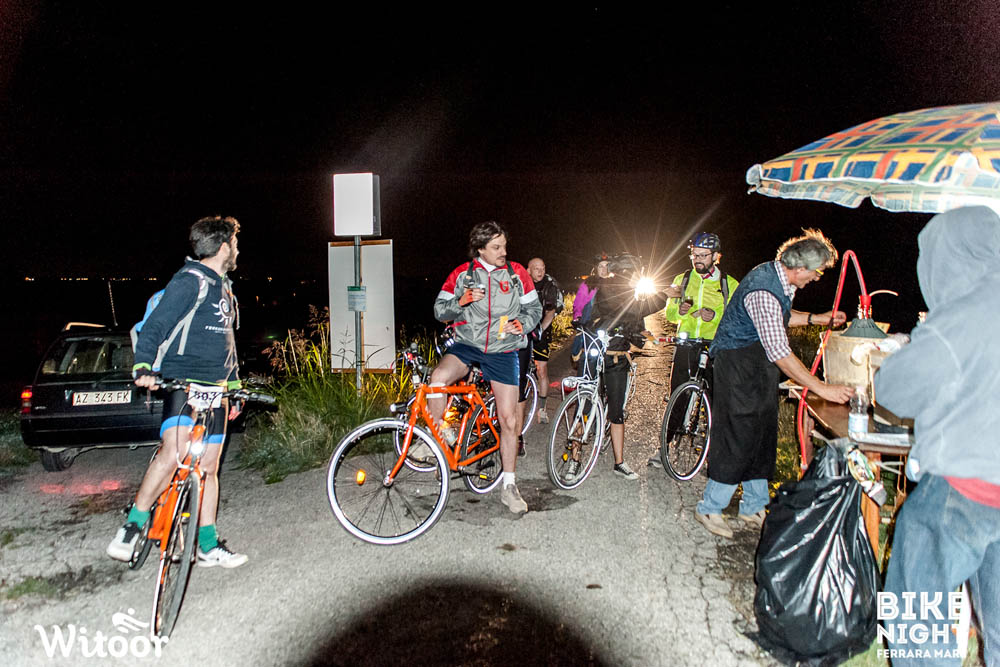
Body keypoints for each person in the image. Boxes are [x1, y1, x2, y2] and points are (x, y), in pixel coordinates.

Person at [874, 206, 1000, 665]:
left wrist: (909, 347)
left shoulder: (963, 314)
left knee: (916, 621)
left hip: (959, 490)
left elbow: (894, 389)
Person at [693, 229, 853, 539]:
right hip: (737, 363)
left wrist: (817, 319)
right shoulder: (763, 289)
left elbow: (781, 317)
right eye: (817, 272)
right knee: (738, 433)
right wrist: (821, 388)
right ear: (801, 268)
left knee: (763, 431)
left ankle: (753, 506)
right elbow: (780, 352)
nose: (817, 278)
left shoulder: (780, 279)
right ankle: (710, 507)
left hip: (758, 364)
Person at [107, 216, 247, 567]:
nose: (237, 249)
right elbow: (156, 326)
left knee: (209, 467)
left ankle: (207, 544)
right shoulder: (189, 281)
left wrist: (235, 388)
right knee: (175, 453)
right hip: (183, 381)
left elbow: (227, 345)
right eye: (234, 243)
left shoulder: (225, 289)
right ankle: (132, 526)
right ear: (223, 247)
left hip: (217, 388)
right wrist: (143, 366)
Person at [431, 221, 542, 514]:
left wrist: (523, 324)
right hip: (468, 343)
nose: (503, 252)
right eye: (496, 247)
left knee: (509, 421)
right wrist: (461, 301)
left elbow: (534, 309)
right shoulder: (462, 274)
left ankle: (509, 486)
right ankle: (441, 436)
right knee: (437, 378)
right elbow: (439, 310)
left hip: (503, 349)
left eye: (504, 246)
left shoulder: (517, 274)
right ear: (480, 249)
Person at [568, 253, 666, 481]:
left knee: (616, 412)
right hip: (594, 353)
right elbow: (632, 309)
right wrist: (663, 296)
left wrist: (641, 336)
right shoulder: (606, 289)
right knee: (584, 405)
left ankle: (619, 463)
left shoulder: (629, 293)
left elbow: (636, 322)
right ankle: (574, 459)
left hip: (617, 358)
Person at [648, 232, 739, 467]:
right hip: (687, 344)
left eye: (703, 255)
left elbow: (736, 318)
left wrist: (714, 315)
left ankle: (712, 456)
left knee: (716, 401)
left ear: (716, 256)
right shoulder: (683, 278)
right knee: (678, 395)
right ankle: (665, 447)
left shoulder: (729, 284)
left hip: (715, 346)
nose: (697, 259)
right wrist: (680, 311)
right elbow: (669, 313)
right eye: (694, 255)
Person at [525, 257, 563, 426]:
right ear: (528, 270)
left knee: (542, 370)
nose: (540, 272)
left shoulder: (549, 287)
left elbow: (550, 312)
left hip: (541, 330)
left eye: (543, 268)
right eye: (536, 268)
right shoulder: (522, 284)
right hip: (523, 329)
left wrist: (539, 330)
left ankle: (542, 408)